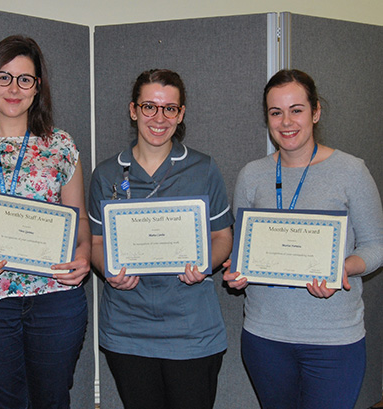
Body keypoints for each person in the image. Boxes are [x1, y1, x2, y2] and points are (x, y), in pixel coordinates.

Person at [0, 35, 91, 409]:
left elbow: (80, 220)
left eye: (25, 79)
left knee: (52, 400)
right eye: (4, 77)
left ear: (37, 88)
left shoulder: (61, 146)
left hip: (55, 298)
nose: (13, 88)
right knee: (4, 401)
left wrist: (84, 256)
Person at [223, 69, 383, 409]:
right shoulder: (252, 175)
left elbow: (377, 245)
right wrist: (237, 268)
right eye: (275, 112)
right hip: (265, 337)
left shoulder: (351, 171)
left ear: (316, 112)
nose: (286, 122)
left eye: (296, 109)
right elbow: (244, 246)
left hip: (334, 340)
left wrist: (345, 267)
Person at [88, 69, 234, 409]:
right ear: (133, 110)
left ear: (180, 114)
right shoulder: (107, 173)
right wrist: (108, 269)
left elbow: (222, 237)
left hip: (191, 330)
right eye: (149, 106)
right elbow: (95, 243)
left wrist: (205, 264)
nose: (159, 117)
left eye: (169, 108)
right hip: (127, 330)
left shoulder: (203, 168)